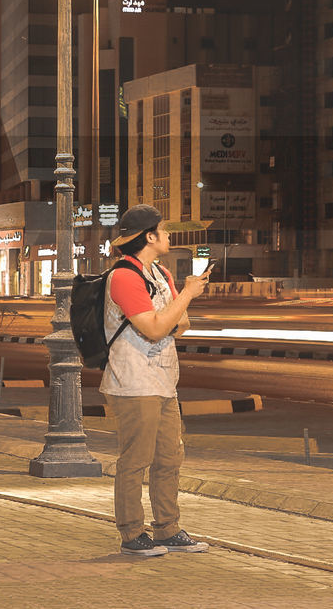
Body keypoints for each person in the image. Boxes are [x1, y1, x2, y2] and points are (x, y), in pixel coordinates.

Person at [103, 204, 210, 557]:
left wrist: (175, 310)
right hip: (133, 382)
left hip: (164, 380)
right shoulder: (123, 277)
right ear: (149, 236)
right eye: (162, 229)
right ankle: (132, 532)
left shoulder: (161, 273)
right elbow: (155, 327)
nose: (168, 235)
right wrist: (187, 297)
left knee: (169, 457)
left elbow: (182, 323)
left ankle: (167, 528)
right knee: (136, 460)